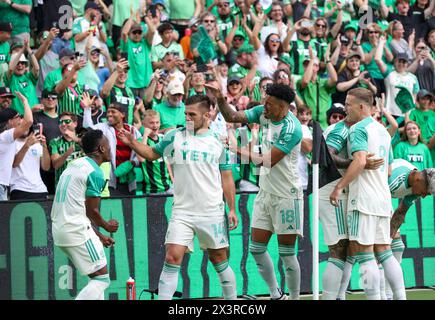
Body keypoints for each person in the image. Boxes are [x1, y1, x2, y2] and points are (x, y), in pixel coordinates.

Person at [118, 94, 238, 300]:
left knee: (219, 260)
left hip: (211, 211)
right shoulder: (174, 136)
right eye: (185, 114)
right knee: (172, 257)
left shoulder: (218, 142)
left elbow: (227, 178)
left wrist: (232, 208)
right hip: (182, 210)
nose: (187, 118)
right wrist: (132, 143)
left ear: (207, 115)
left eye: (192, 114)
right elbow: (151, 154)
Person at [209, 83, 303, 300]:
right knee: (256, 248)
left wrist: (237, 149)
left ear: (283, 106)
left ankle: (295, 297)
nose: (264, 107)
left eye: (268, 104)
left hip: (287, 196)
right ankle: (276, 295)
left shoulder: (292, 129)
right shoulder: (264, 113)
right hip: (265, 193)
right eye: (264, 101)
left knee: (287, 254)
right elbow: (232, 116)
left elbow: (267, 161)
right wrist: (222, 99)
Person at [330, 88, 406, 300]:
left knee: (364, 255)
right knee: (385, 253)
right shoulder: (383, 130)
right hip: (383, 199)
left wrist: (339, 186)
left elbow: (361, 160)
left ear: (361, 107)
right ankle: (400, 297)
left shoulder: (357, 129)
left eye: (348, 104)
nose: (346, 109)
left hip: (363, 199)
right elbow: (389, 169)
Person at [50, 129, 119, 300]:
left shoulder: (74, 165)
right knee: (102, 279)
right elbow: (91, 211)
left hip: (61, 230)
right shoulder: (95, 172)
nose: (111, 149)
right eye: (108, 146)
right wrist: (107, 226)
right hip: (76, 230)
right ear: (102, 149)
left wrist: (100, 235)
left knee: (96, 279)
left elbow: (77, 210)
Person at [83, 99, 142, 196]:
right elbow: (88, 132)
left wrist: (132, 163)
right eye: (108, 112)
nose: (109, 114)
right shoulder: (103, 127)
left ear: (122, 114)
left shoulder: (132, 130)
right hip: (111, 180)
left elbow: (140, 150)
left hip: (129, 180)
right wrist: (87, 109)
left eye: (113, 112)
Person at [0, 92, 33, 200]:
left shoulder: (6, 137)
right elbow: (29, 121)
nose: (21, 120)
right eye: (18, 117)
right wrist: (25, 102)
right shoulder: (6, 135)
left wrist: (27, 145)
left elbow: (14, 163)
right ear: (10, 121)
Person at [136, 110, 173, 195]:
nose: (155, 125)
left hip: (168, 187)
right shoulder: (140, 141)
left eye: (157, 122)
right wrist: (145, 135)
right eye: (151, 123)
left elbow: (167, 162)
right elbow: (141, 159)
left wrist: (173, 180)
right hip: (151, 191)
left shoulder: (163, 139)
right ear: (144, 124)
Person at [10, 124, 50, 200]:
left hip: (40, 189)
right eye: (21, 125)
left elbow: (46, 167)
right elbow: (14, 163)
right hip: (19, 189)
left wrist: (44, 145)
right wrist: (27, 144)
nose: (25, 127)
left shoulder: (37, 144)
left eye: (26, 124)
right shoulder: (11, 143)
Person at [49, 112, 84, 187]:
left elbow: (93, 151)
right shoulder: (55, 142)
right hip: (62, 186)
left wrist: (76, 139)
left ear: (75, 124)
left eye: (67, 121)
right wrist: (66, 154)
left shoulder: (83, 139)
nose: (63, 124)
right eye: (61, 122)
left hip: (81, 185)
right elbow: (56, 165)